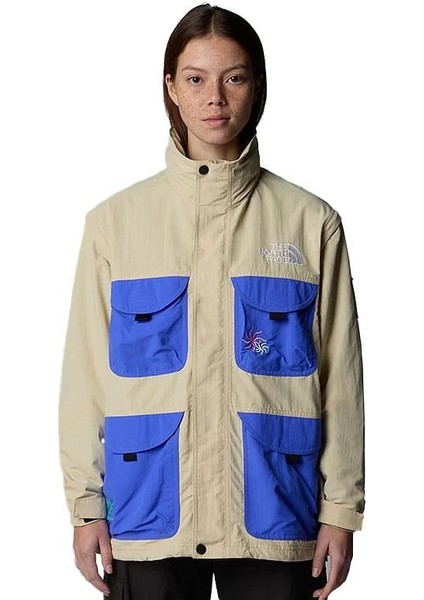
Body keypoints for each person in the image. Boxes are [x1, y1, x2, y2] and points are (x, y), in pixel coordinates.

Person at [58, 4, 365, 600]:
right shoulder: (114, 224)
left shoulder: (311, 223)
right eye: (196, 78)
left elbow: (342, 382)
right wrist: (84, 505)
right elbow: (85, 378)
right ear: (171, 88)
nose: (215, 98)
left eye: (235, 77)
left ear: (258, 86)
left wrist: (341, 510)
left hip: (277, 512)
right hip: (146, 513)